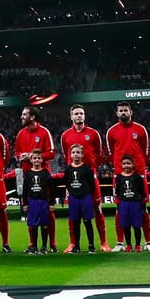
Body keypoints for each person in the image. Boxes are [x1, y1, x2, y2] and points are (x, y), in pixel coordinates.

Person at [105, 102, 150, 251]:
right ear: (117, 113)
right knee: (119, 208)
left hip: (138, 174)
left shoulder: (140, 129)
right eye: (121, 111)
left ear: (131, 112)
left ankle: (148, 242)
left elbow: (146, 151)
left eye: (126, 110)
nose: (123, 113)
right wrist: (120, 169)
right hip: (120, 175)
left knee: (143, 208)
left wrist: (140, 169)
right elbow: (110, 153)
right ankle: (120, 243)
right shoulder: (111, 131)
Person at [62, 105, 110, 251]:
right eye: (76, 113)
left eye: (81, 113)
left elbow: (100, 154)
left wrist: (92, 168)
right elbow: (66, 155)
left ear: (85, 116)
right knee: (73, 211)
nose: (79, 116)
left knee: (97, 207)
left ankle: (103, 242)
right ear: (71, 116)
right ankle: (73, 243)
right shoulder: (66, 135)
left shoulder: (93, 133)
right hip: (74, 176)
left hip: (90, 175)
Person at [12, 108, 53, 251]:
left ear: (33, 116)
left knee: (48, 210)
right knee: (31, 210)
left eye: (24, 114)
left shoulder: (44, 132)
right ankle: (32, 244)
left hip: (43, 173)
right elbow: (16, 152)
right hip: (27, 173)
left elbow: (51, 153)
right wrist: (21, 156)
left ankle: (51, 243)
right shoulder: (21, 133)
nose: (22, 116)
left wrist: (32, 156)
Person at [61, 144, 99, 254]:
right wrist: (73, 193)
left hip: (85, 198)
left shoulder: (87, 168)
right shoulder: (68, 169)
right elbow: (67, 183)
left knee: (87, 222)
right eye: (73, 153)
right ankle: (76, 246)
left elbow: (92, 184)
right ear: (70, 155)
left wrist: (87, 195)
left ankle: (91, 246)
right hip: (74, 198)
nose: (76, 154)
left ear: (82, 154)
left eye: (78, 152)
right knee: (75, 223)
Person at [21, 151, 54, 254]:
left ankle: (44, 247)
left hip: (43, 202)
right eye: (34, 158)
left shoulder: (45, 173)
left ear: (42, 160)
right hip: (32, 202)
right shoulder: (28, 174)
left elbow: (52, 189)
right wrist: (25, 203)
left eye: (39, 158)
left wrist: (51, 203)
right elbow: (25, 190)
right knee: (33, 225)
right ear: (31, 160)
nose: (37, 160)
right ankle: (34, 246)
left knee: (44, 225)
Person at [114, 155, 147, 252]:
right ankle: (128, 245)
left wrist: (142, 204)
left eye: (128, 163)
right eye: (124, 164)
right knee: (126, 226)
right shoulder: (119, 178)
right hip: (124, 204)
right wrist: (119, 205)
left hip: (135, 204)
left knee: (137, 226)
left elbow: (141, 191)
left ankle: (137, 245)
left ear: (133, 164)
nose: (126, 166)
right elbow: (117, 191)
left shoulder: (137, 177)